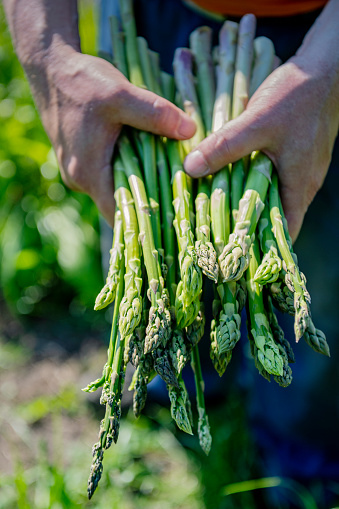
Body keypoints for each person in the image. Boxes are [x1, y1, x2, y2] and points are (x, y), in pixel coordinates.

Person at [4, 0, 339, 501]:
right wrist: (49, 54)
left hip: (321, 40)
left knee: (318, 281)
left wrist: (329, 73)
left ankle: (300, 455)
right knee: (156, 248)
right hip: (154, 19)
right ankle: (178, 378)